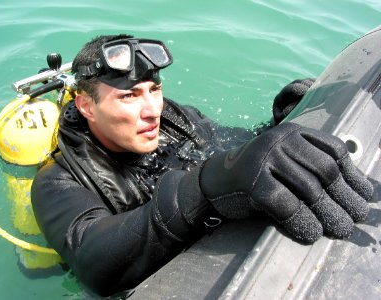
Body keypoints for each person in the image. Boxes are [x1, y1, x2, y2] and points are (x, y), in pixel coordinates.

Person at [31, 34, 373, 297]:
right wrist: (200, 191)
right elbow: (93, 265)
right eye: (128, 96)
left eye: (154, 89)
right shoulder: (55, 183)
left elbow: (229, 152)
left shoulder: (174, 118)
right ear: (87, 106)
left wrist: (276, 126)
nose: (151, 109)